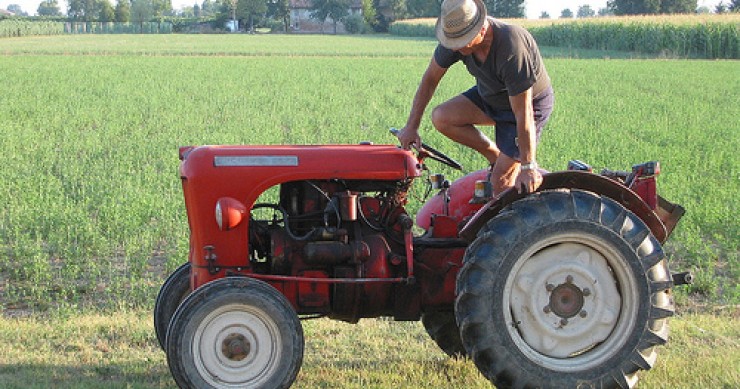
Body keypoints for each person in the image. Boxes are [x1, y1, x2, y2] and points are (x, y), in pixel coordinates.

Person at [397, 0, 554, 196]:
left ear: (480, 30)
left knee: (501, 180)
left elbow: (523, 112)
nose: (454, 48)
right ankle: (495, 156)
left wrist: (528, 165)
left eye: (460, 43)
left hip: (528, 105)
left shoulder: (511, 46)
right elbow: (429, 80)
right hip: (490, 94)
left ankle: (505, 213)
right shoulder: (455, 37)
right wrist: (412, 126)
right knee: (442, 117)